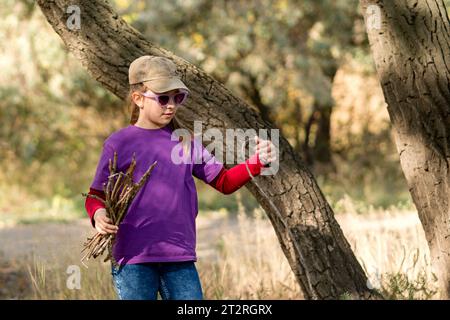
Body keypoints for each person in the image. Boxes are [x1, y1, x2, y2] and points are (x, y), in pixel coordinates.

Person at [84, 55, 276, 300]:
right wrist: (98, 214)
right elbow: (95, 195)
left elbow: (224, 182)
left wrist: (257, 161)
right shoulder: (119, 143)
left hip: (179, 257)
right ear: (138, 99)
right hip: (133, 257)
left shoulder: (185, 142)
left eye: (178, 98)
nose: (171, 105)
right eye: (163, 98)